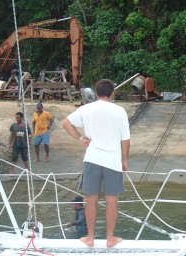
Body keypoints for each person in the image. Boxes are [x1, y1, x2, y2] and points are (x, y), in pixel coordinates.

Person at [62, 79, 130, 248]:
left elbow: (66, 123)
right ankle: (110, 238)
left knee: (91, 200)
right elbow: (125, 140)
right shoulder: (119, 111)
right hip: (112, 161)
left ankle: (90, 238)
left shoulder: (86, 109)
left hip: (92, 159)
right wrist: (124, 160)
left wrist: (80, 139)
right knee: (112, 200)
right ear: (112, 93)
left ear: (96, 93)